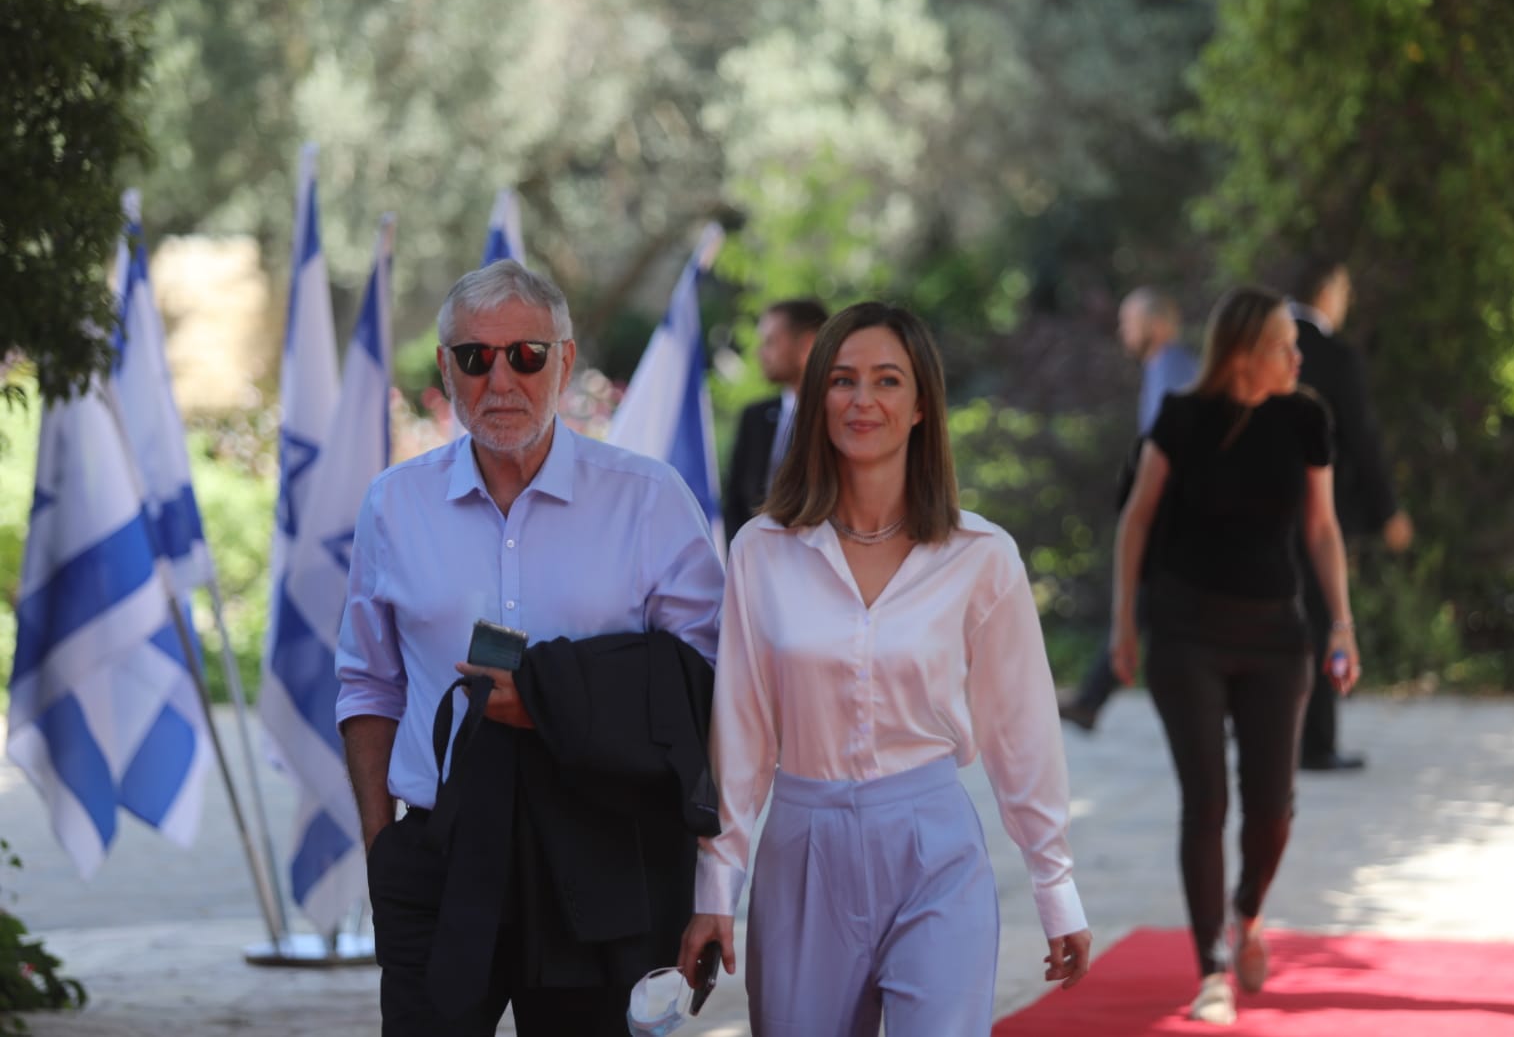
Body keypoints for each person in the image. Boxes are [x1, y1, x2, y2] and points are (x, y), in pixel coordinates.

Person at [677, 301, 1093, 1035]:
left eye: (887, 380)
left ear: (921, 405)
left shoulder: (980, 556)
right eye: (842, 380)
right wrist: (716, 886)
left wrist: (1053, 884)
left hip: (934, 850)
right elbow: (740, 733)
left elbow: (1020, 728)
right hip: (802, 852)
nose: (862, 399)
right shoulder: (761, 551)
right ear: (816, 400)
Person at [334, 260, 724, 1036]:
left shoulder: (647, 500)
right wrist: (384, 849)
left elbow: (705, 692)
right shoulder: (395, 504)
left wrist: (714, 883)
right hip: (442, 854)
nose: (501, 380)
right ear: (446, 367)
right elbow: (369, 683)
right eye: (475, 357)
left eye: (526, 355)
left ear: (565, 362)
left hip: (603, 852)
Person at [1111, 284, 1360, 1025]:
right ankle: (1211, 969)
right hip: (1185, 633)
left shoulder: (1304, 418)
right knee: (1206, 802)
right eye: (1284, 345)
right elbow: (1136, 520)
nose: (1296, 357)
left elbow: (1322, 528)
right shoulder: (1182, 417)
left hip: (1276, 635)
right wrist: (1123, 623)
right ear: (1245, 352)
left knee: (1272, 810)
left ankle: (1247, 911)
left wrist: (1341, 623)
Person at [1289, 256, 1411, 771]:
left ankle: (1268, 731)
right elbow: (1362, 438)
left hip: (1257, 511)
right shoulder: (1333, 356)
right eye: (1343, 289)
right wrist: (1388, 510)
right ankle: (1314, 742)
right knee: (1320, 618)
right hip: (1318, 508)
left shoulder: (1254, 348)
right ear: (1326, 290)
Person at [1060, 285, 1199, 730]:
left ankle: (1093, 699)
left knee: (1158, 607)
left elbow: (1178, 449)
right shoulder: (1165, 367)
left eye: (1129, 322)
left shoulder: (1173, 370)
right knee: (1152, 607)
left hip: (1179, 519)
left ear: (1155, 325)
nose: (1123, 331)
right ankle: (1092, 698)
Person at [722, 298, 828, 540]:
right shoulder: (754, 418)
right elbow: (734, 502)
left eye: (770, 342)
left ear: (807, 345)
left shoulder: (841, 418)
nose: (759, 353)